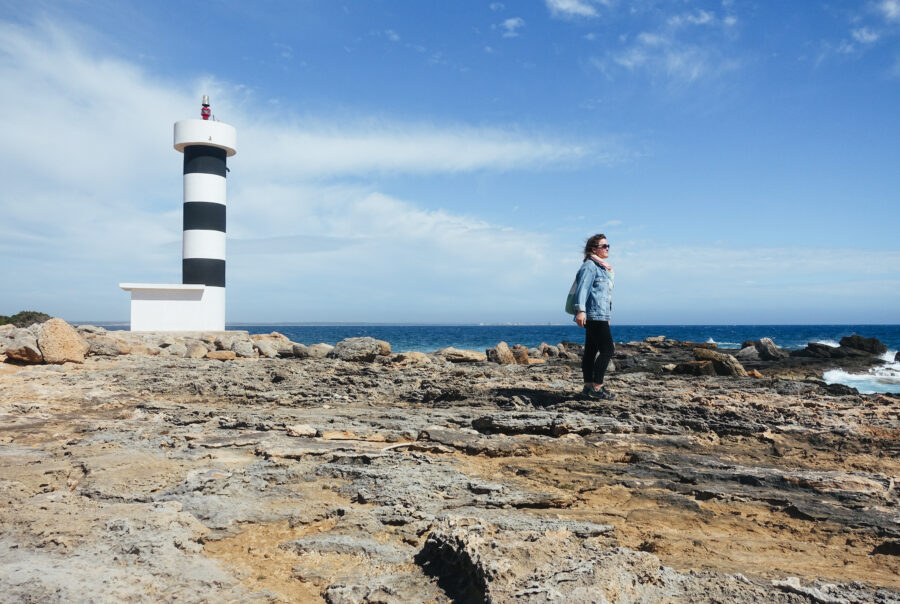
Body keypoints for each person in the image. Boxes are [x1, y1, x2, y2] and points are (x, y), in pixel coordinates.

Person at [573, 234, 616, 400]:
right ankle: (597, 387)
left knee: (591, 351)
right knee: (608, 349)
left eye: (608, 245)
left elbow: (605, 295)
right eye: (604, 246)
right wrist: (580, 311)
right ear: (594, 249)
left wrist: (607, 315)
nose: (607, 248)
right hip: (592, 314)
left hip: (600, 314)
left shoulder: (602, 268)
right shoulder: (590, 266)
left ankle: (588, 387)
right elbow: (582, 290)